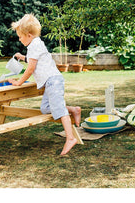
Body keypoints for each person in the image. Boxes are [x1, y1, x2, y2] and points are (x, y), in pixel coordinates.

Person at [8, 14, 81, 155]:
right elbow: (33, 60)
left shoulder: (34, 45)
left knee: (58, 109)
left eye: (20, 36)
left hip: (53, 81)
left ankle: (70, 138)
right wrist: (22, 57)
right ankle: (74, 109)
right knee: (46, 108)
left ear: (28, 35)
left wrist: (19, 82)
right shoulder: (35, 45)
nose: (19, 39)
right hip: (50, 82)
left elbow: (31, 68)